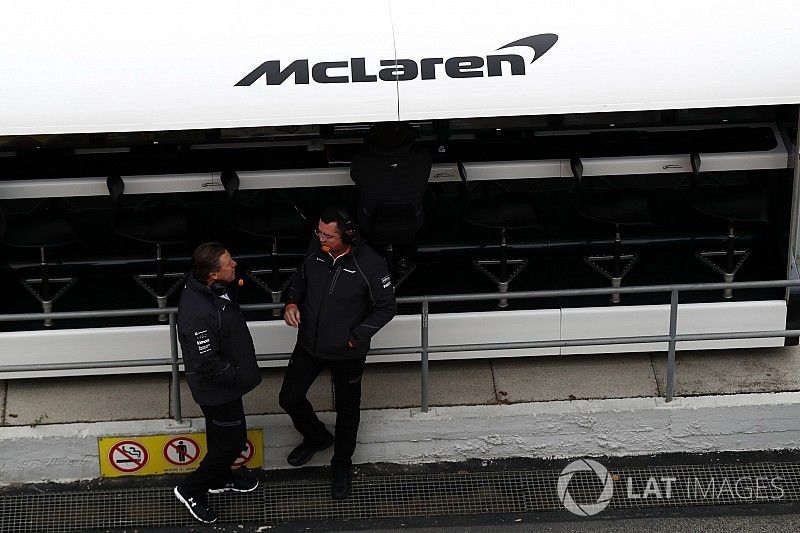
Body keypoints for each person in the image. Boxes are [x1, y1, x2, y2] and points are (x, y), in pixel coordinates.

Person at [279, 206, 396, 500]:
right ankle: (318, 437)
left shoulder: (370, 263)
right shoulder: (315, 252)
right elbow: (299, 279)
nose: (322, 239)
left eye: (329, 235)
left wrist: (355, 338)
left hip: (347, 352)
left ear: (348, 235)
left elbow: (386, 307)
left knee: (347, 412)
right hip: (309, 346)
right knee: (289, 397)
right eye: (319, 232)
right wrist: (291, 302)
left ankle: (341, 465)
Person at [174, 242, 262, 524]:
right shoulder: (199, 313)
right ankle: (191, 489)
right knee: (232, 442)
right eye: (228, 263)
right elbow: (206, 362)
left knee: (219, 437)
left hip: (224, 386)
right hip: (218, 391)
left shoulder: (210, 290)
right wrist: (236, 377)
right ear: (212, 274)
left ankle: (221, 478)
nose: (234, 264)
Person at [350, 121, 433, 232]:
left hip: (369, 222)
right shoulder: (422, 156)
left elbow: (354, 177)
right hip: (413, 222)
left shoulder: (361, 158)